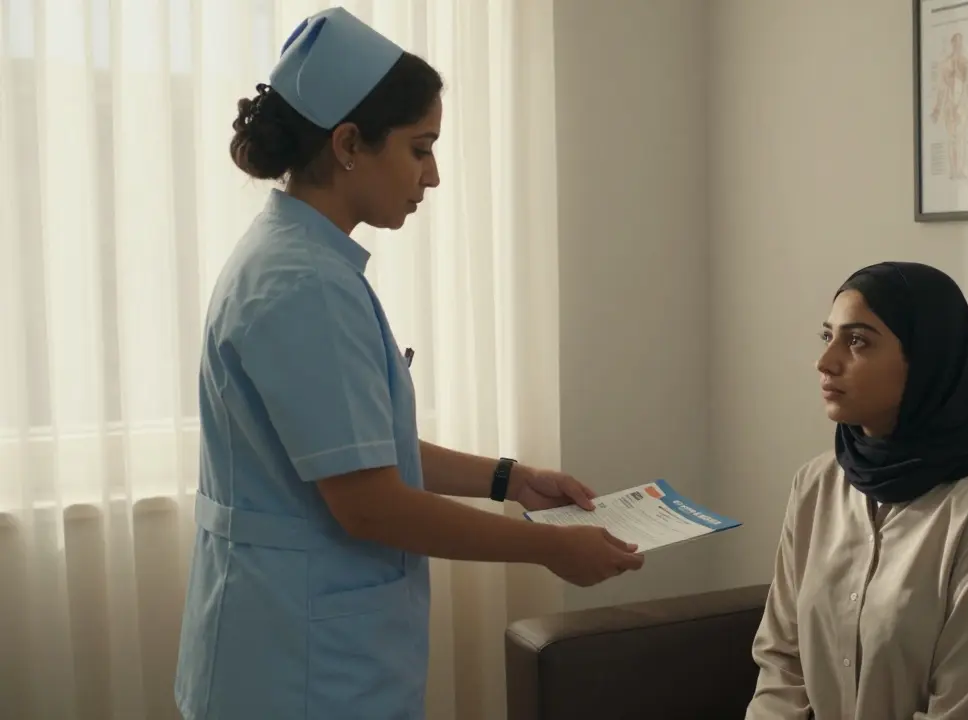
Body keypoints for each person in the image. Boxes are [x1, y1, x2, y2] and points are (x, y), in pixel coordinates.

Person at [173, 8, 643, 719]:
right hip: (301, 674)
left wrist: (510, 479)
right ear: (350, 144)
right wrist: (550, 551)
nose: (434, 176)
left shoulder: (296, 260)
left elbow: (358, 450)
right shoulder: (305, 285)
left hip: (293, 649)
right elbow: (369, 504)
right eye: (420, 148)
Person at [744, 261, 968, 720]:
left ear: (925, 359)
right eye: (827, 336)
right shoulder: (817, 484)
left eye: (857, 341)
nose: (826, 361)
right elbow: (782, 664)